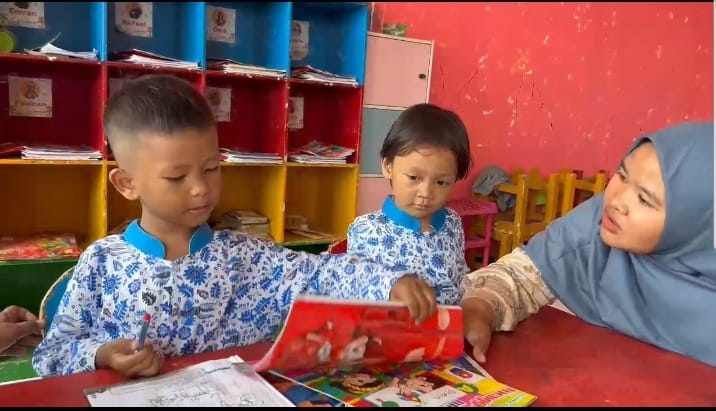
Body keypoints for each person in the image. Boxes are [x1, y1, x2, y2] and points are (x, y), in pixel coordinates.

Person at [31, 74, 437, 378]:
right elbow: (51, 355)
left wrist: (390, 279)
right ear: (126, 183)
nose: (200, 189)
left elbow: (325, 271)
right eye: (177, 178)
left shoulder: (245, 257)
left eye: (211, 169)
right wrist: (103, 355)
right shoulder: (101, 263)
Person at [460, 121, 716, 367]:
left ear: (695, 222)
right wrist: (481, 307)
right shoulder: (597, 223)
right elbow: (519, 275)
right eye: (623, 175)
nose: (616, 200)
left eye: (645, 200)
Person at [346, 103, 472, 305]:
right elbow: (358, 292)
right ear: (388, 166)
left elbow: (459, 278)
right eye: (414, 177)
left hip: (450, 330)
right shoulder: (366, 230)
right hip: (396, 332)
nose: (426, 193)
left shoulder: (453, 223)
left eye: (441, 182)